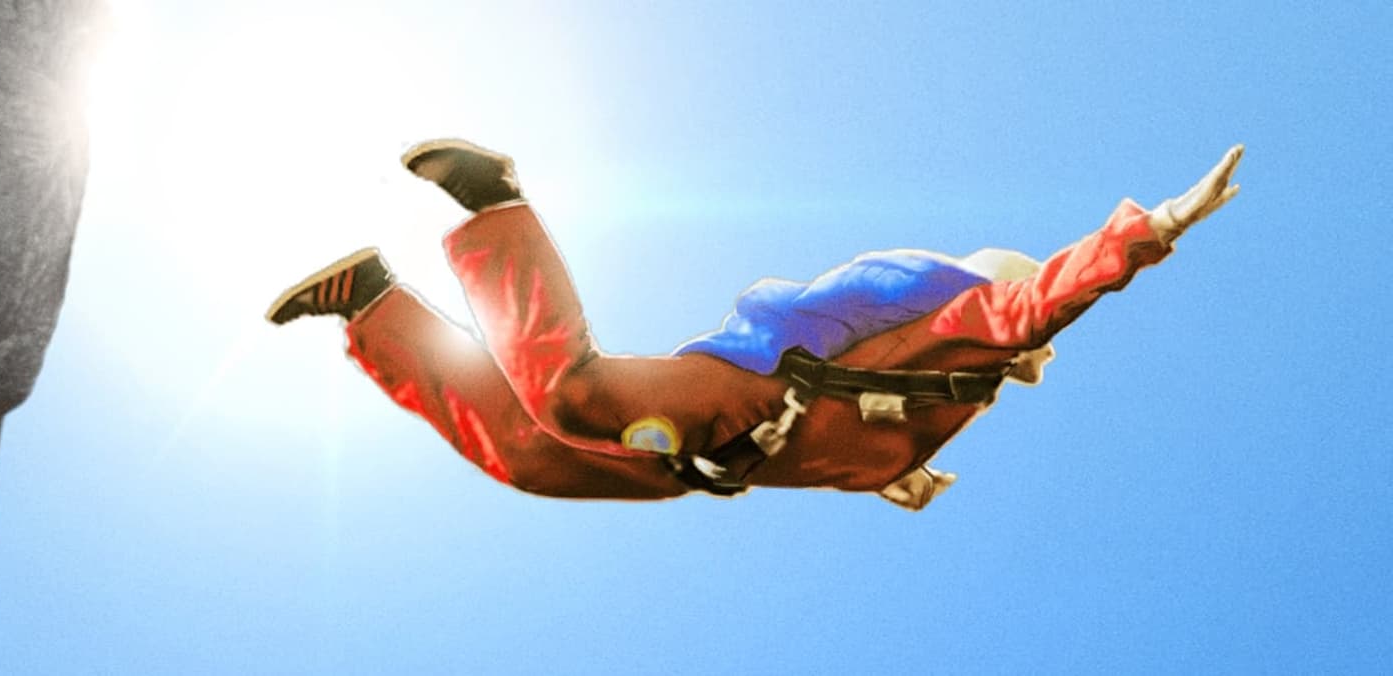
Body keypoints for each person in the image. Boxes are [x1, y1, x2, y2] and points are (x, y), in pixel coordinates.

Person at [265, 139, 1242, 510]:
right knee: (572, 394)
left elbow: (855, 443)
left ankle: (371, 303)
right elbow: (1043, 299)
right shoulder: (976, 330)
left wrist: (896, 479)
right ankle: (495, 202)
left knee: (531, 457)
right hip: (745, 396)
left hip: (702, 464)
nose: (1033, 354)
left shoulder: (949, 409)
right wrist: (1155, 228)